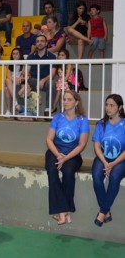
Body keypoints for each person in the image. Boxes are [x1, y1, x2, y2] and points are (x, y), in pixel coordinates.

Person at [45, 90, 89, 224]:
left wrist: (66, 158)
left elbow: (81, 144)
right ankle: (64, 210)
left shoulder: (82, 120)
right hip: (55, 152)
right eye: (64, 99)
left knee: (68, 172)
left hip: (73, 155)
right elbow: (49, 139)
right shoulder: (57, 118)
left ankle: (63, 211)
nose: (65, 102)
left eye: (69, 99)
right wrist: (58, 155)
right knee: (52, 171)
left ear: (76, 102)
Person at [92, 94, 125, 227]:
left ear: (120, 107)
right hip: (103, 157)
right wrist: (105, 162)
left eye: (112, 105)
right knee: (96, 175)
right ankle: (107, 211)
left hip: (121, 159)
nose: (108, 108)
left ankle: (103, 211)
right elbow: (96, 146)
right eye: (106, 105)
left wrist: (113, 163)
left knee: (115, 176)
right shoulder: (101, 124)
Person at [27, 34, 57, 116]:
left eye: (42, 41)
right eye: (37, 41)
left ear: (46, 43)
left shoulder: (52, 57)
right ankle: (33, 108)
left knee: (51, 83)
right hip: (34, 81)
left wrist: (43, 80)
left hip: (46, 81)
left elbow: (53, 74)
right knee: (31, 80)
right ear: (35, 44)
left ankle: (48, 109)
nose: (39, 43)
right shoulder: (31, 57)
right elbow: (26, 72)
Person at [4, 47, 25, 117]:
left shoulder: (24, 63)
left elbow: (25, 74)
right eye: (13, 54)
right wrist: (14, 79)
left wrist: (19, 78)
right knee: (7, 82)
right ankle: (14, 104)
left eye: (17, 54)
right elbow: (8, 76)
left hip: (20, 82)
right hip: (12, 81)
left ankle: (8, 110)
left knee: (7, 88)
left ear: (20, 55)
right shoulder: (10, 64)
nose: (15, 55)